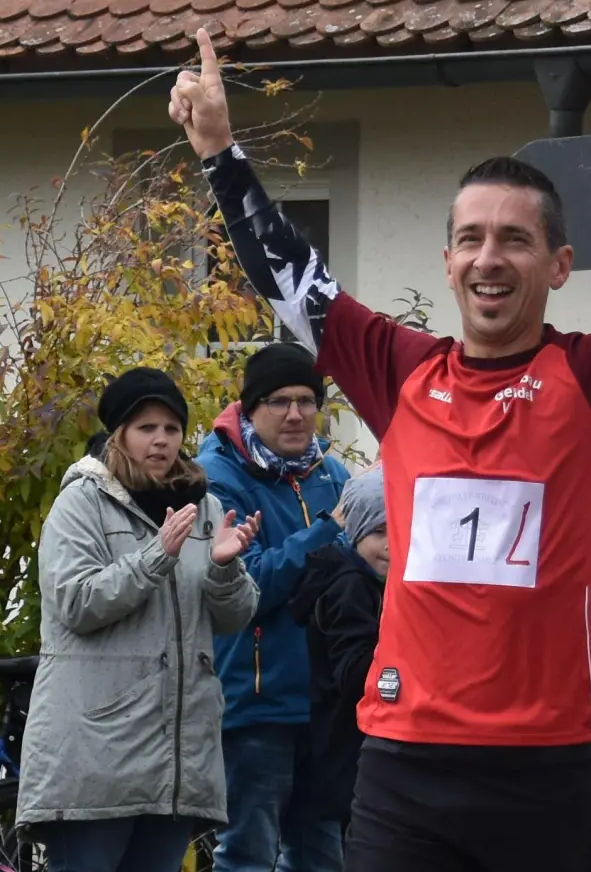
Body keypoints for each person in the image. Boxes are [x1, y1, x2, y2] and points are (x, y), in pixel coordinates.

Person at [171, 5, 591, 870]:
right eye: (470, 239)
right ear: (447, 264)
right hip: (401, 761)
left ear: (558, 265)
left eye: (515, 239)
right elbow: (290, 273)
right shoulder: (398, 371)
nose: (489, 258)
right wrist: (218, 151)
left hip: (543, 770)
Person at [16, 367, 261, 872]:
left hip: (178, 761)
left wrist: (224, 568)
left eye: (171, 429)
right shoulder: (81, 502)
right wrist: (156, 556)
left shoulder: (206, 506)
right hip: (95, 757)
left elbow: (236, 617)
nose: (161, 441)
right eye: (147, 428)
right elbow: (76, 603)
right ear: (119, 434)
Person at [195, 342, 352, 872]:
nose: (295, 414)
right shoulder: (216, 477)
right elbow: (248, 586)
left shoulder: (331, 472)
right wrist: (332, 531)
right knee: (247, 854)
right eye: (279, 401)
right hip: (255, 701)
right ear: (250, 407)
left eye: (307, 400)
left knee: (321, 855)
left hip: (325, 701)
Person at [285, 465, 390, 832]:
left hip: (347, 755)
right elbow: (355, 672)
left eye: (402, 531)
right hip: (352, 754)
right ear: (357, 532)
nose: (392, 544)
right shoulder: (350, 586)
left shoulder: (367, 580)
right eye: (379, 532)